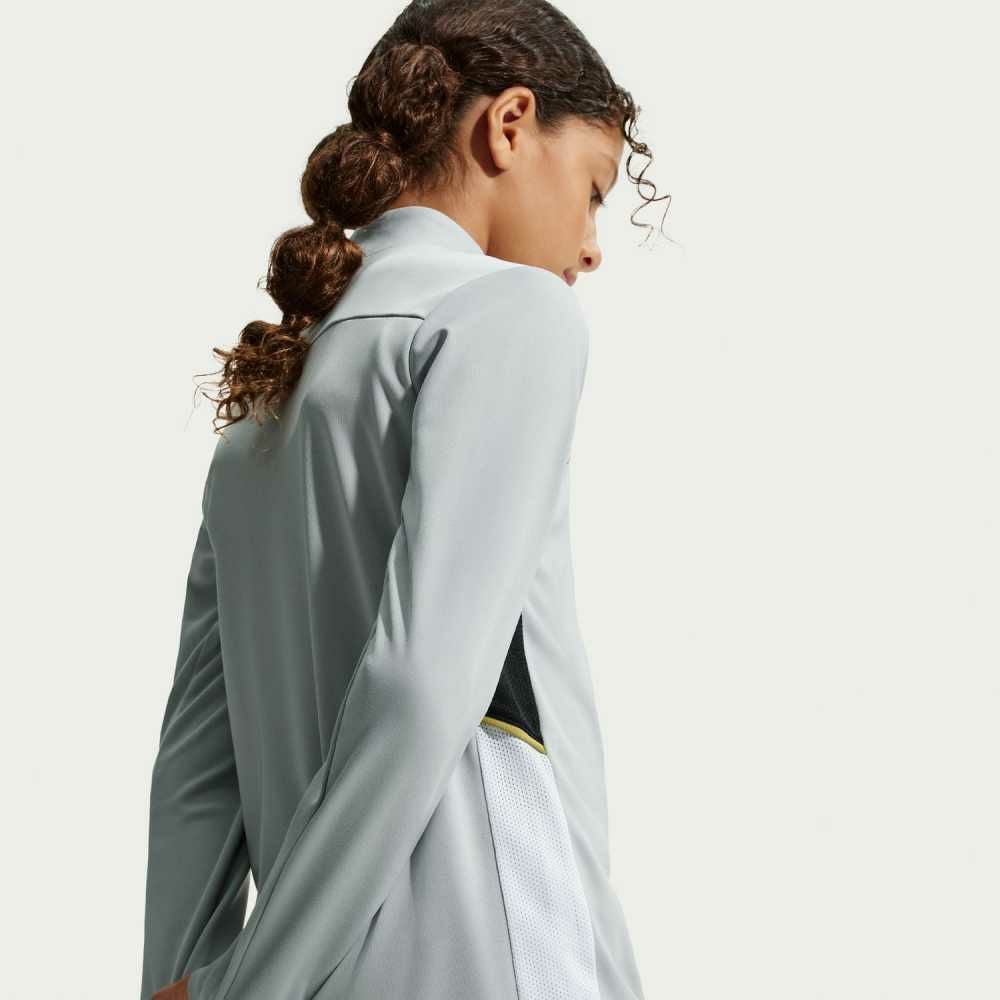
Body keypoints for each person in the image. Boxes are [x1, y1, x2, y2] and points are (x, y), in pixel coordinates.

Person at [140, 1, 666, 997]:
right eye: (593, 189)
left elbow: (196, 771)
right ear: (510, 124)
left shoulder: (264, 404)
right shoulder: (510, 312)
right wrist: (253, 984)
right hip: (493, 949)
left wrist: (187, 976)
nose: (592, 244)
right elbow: (422, 683)